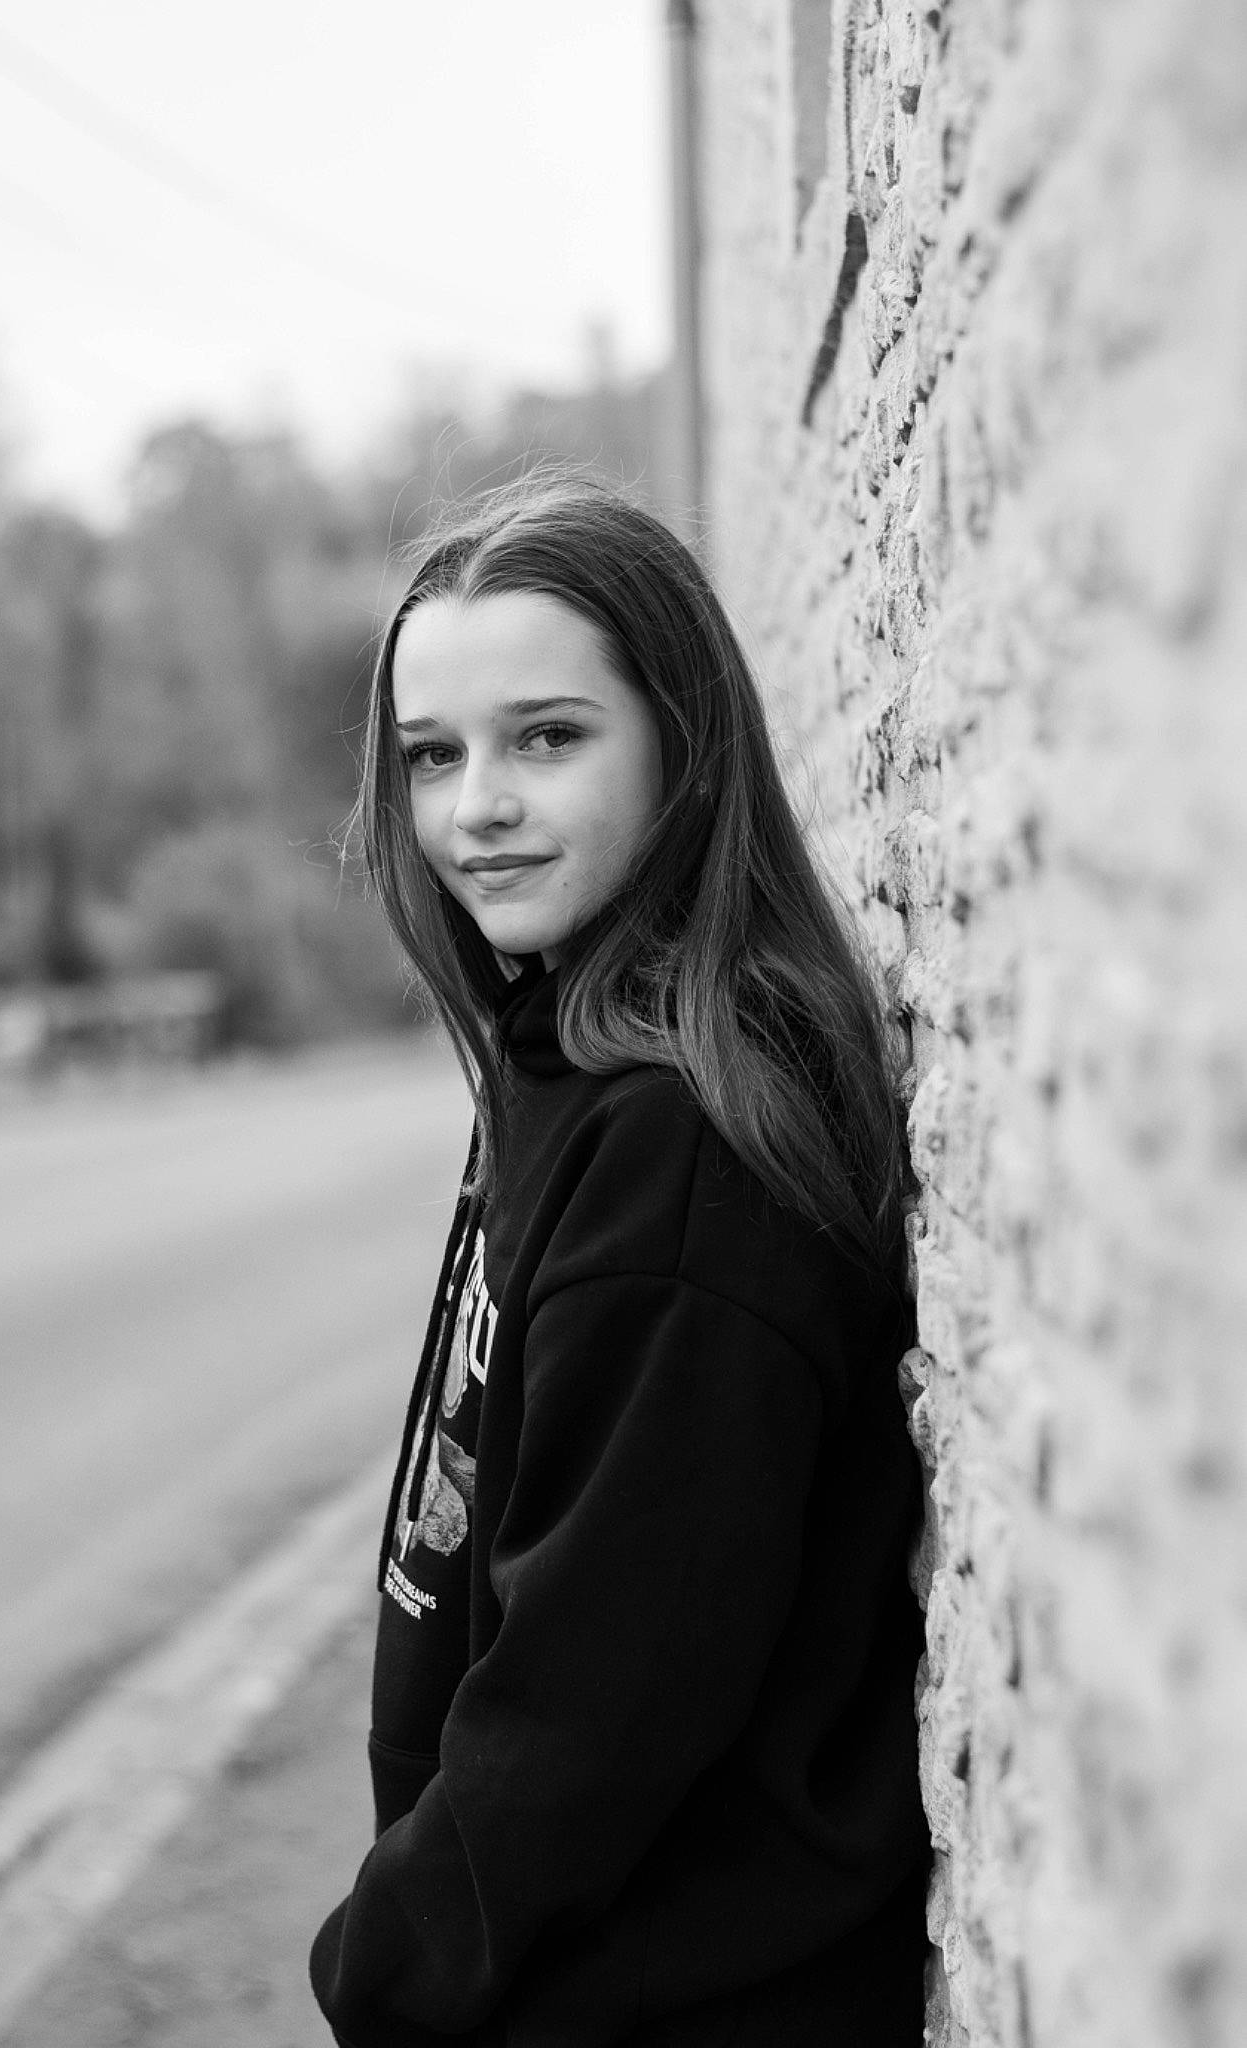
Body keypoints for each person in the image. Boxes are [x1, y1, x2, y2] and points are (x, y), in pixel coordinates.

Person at [309, 476, 929, 2047]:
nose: (475, 809)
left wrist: (380, 1972)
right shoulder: (561, 1051)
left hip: (662, 1997)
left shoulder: (682, 1157)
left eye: (546, 737)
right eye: (431, 758)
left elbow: (592, 1711)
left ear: (684, 740)